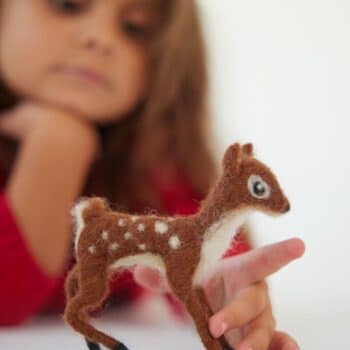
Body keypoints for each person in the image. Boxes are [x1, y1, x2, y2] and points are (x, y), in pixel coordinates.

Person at [0, 1, 305, 349]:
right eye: (68, 6)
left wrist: (228, 297)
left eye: (135, 28)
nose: (98, 38)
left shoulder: (156, 171)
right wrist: (59, 143)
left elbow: (216, 259)